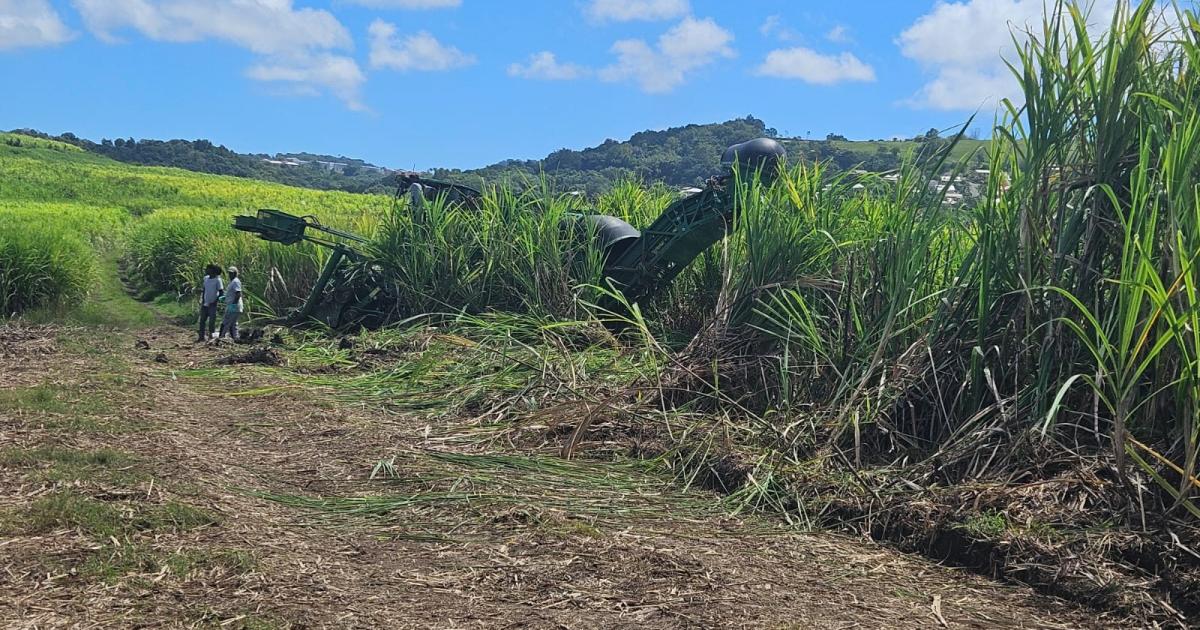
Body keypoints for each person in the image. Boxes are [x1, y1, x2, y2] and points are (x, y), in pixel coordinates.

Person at [198, 264, 223, 342]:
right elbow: (204, 290)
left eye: (208, 269)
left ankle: (211, 337)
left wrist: (215, 301)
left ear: (212, 270)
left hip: (212, 304)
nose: (206, 270)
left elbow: (221, 292)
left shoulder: (218, 280)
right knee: (202, 320)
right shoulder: (206, 278)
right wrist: (203, 300)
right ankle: (201, 337)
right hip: (205, 303)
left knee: (211, 322)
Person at [219, 266, 243, 341]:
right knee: (233, 323)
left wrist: (233, 305)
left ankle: (221, 337)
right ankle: (236, 339)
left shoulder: (235, 281)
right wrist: (225, 298)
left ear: (235, 273)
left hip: (234, 305)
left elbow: (238, 294)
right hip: (232, 305)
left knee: (226, 322)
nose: (230, 275)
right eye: (229, 273)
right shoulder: (232, 282)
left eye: (231, 273)